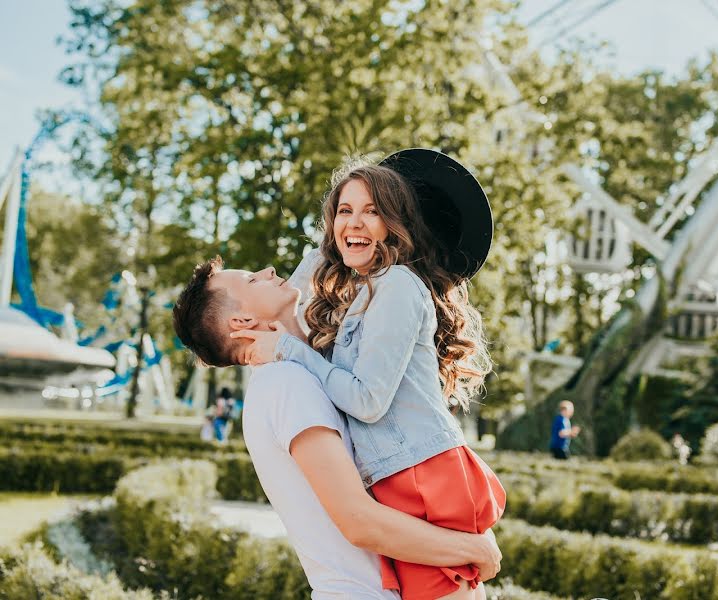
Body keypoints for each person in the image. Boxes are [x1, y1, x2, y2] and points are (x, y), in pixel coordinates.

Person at [231, 150, 505, 600]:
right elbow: (303, 279)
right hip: (401, 475)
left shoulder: (395, 284)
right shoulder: (364, 292)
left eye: (372, 212)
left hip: (422, 474)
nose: (354, 222)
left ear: (397, 225)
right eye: (344, 211)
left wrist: (286, 349)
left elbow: (366, 401)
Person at [172, 259, 501, 599]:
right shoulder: (286, 383)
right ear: (242, 322)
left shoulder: (305, 371)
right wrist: (473, 549)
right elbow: (359, 520)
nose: (268, 270)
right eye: (253, 280)